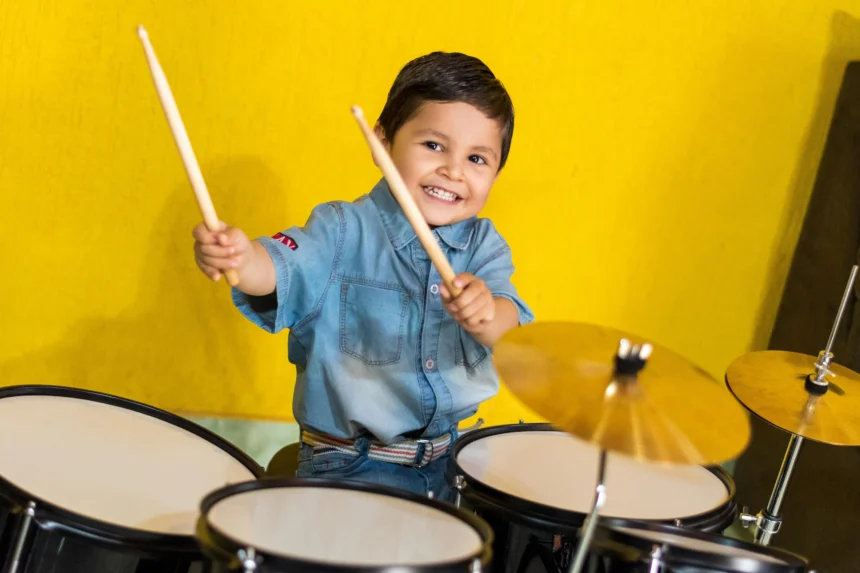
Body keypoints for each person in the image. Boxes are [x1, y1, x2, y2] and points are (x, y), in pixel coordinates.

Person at [192, 51, 534, 501]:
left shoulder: (484, 246)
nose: (453, 171)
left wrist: (488, 314)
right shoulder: (340, 230)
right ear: (382, 144)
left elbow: (511, 328)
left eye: (477, 159)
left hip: (451, 465)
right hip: (349, 466)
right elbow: (276, 269)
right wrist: (239, 256)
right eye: (433, 146)